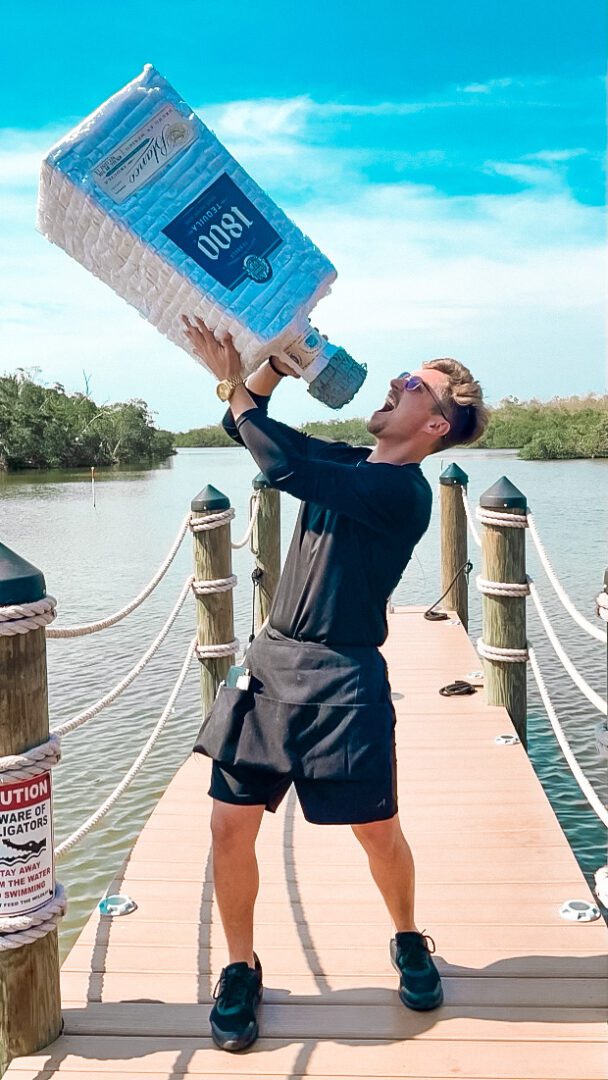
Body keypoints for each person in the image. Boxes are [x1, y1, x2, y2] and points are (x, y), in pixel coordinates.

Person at [182, 314, 488, 1052]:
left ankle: (409, 938)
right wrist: (271, 371)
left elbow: (283, 467)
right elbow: (250, 438)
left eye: (413, 385)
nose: (393, 383)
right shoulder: (353, 462)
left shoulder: (403, 494)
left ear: (437, 425)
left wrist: (237, 384)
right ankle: (241, 967)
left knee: (377, 832)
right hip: (270, 664)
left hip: (345, 676)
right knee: (228, 824)